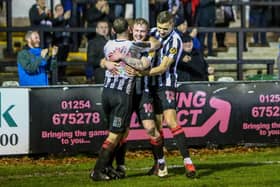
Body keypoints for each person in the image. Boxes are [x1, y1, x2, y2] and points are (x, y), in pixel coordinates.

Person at [89, 17, 151, 181]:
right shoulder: (134, 46)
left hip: (107, 92)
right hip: (121, 94)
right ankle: (98, 170)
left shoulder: (108, 45)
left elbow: (106, 59)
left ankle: (109, 168)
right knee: (115, 134)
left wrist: (105, 62)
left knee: (118, 132)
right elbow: (144, 64)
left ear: (113, 31)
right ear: (130, 30)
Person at [148, 11, 196, 178]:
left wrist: (141, 73)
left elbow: (163, 67)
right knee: (155, 125)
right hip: (151, 85)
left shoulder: (175, 40)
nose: (161, 31)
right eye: (160, 27)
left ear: (172, 26)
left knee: (171, 121)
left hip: (166, 84)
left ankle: (188, 163)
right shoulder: (152, 32)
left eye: (165, 29)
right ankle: (160, 163)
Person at [52, 3, 72, 83]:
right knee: (58, 61)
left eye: (61, 9)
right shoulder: (55, 19)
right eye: (58, 10)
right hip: (58, 43)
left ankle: (63, 77)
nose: (60, 11)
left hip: (66, 43)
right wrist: (63, 18)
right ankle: (57, 78)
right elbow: (55, 24)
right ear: (56, 11)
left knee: (64, 61)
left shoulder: (67, 19)